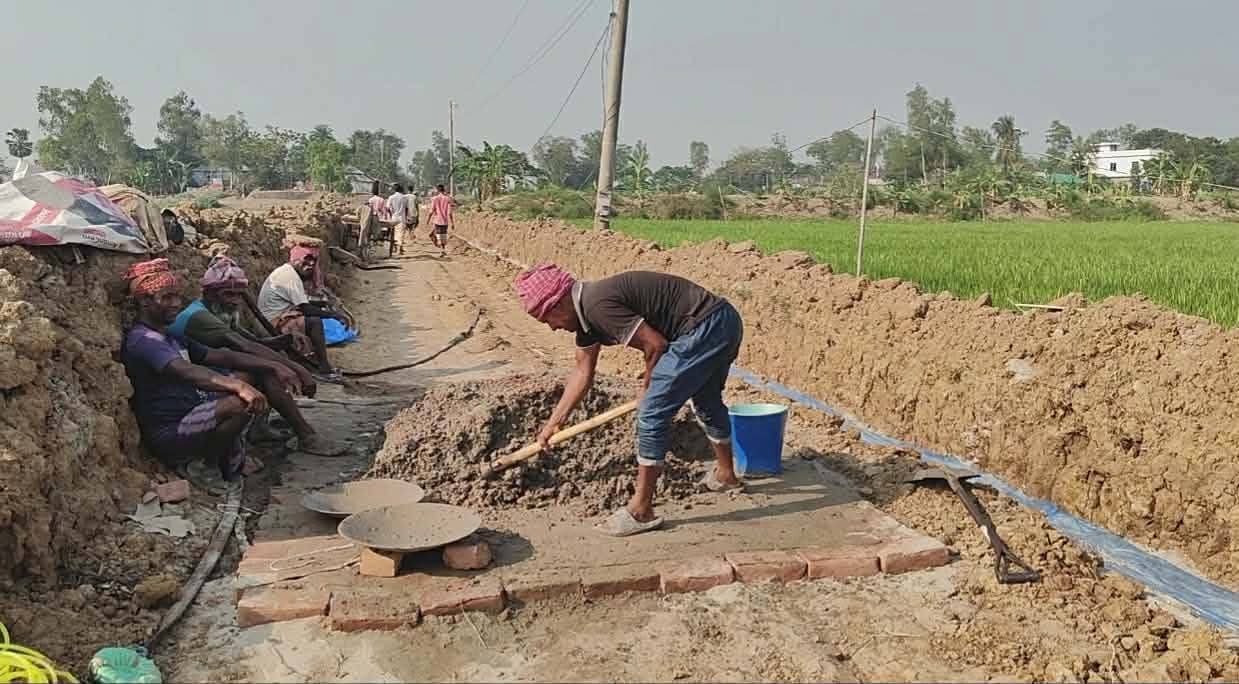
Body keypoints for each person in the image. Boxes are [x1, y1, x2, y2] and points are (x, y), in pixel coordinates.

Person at [515, 264, 745, 537]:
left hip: (704, 327)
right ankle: (726, 475)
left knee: (651, 413)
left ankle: (640, 511)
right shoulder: (588, 317)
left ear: (559, 303)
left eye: (548, 319)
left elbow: (655, 344)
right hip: (722, 321)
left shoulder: (597, 306)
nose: (553, 328)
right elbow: (582, 372)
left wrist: (647, 387)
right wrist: (553, 423)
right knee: (706, 401)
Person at [121, 259, 312, 482]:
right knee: (240, 404)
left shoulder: (169, 335)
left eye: (177, 296)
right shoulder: (145, 340)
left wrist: (273, 365)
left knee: (255, 370)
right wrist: (240, 386)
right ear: (145, 301)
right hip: (173, 430)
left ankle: (267, 439)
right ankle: (205, 466)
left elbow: (223, 356)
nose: (176, 304)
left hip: (194, 408)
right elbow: (186, 371)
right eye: (167, 298)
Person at [169, 255, 347, 456]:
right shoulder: (200, 316)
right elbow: (244, 346)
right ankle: (305, 435)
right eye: (228, 295)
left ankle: (261, 428)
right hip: (193, 380)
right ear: (209, 294)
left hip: (210, 366)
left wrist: (281, 343)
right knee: (265, 371)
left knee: (267, 362)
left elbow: (250, 341)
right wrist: (296, 369)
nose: (235, 301)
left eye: (238, 295)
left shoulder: (222, 311)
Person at [256, 246, 345, 383]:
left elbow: (302, 303)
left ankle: (314, 363)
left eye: (314, 260)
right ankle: (324, 368)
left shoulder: (288, 272)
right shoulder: (289, 276)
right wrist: (334, 315)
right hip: (271, 323)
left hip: (276, 317)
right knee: (314, 322)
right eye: (307, 259)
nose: (311, 264)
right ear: (296, 259)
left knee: (312, 318)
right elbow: (305, 308)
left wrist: (324, 305)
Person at [428, 184, 454, 257]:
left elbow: (431, 210)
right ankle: (443, 249)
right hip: (445, 221)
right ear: (444, 190)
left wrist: (428, 219)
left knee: (437, 235)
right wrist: (452, 222)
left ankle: (441, 249)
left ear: (437, 190)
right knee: (443, 235)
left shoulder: (434, 199)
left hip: (437, 220)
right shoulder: (448, 199)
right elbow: (449, 212)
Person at [386, 183, 412, 256]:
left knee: (394, 232)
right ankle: (400, 248)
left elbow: (387, 208)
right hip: (402, 217)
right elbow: (407, 208)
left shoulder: (391, 197)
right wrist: (407, 217)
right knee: (401, 233)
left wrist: (391, 213)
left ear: (395, 189)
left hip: (394, 217)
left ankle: (394, 248)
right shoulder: (404, 197)